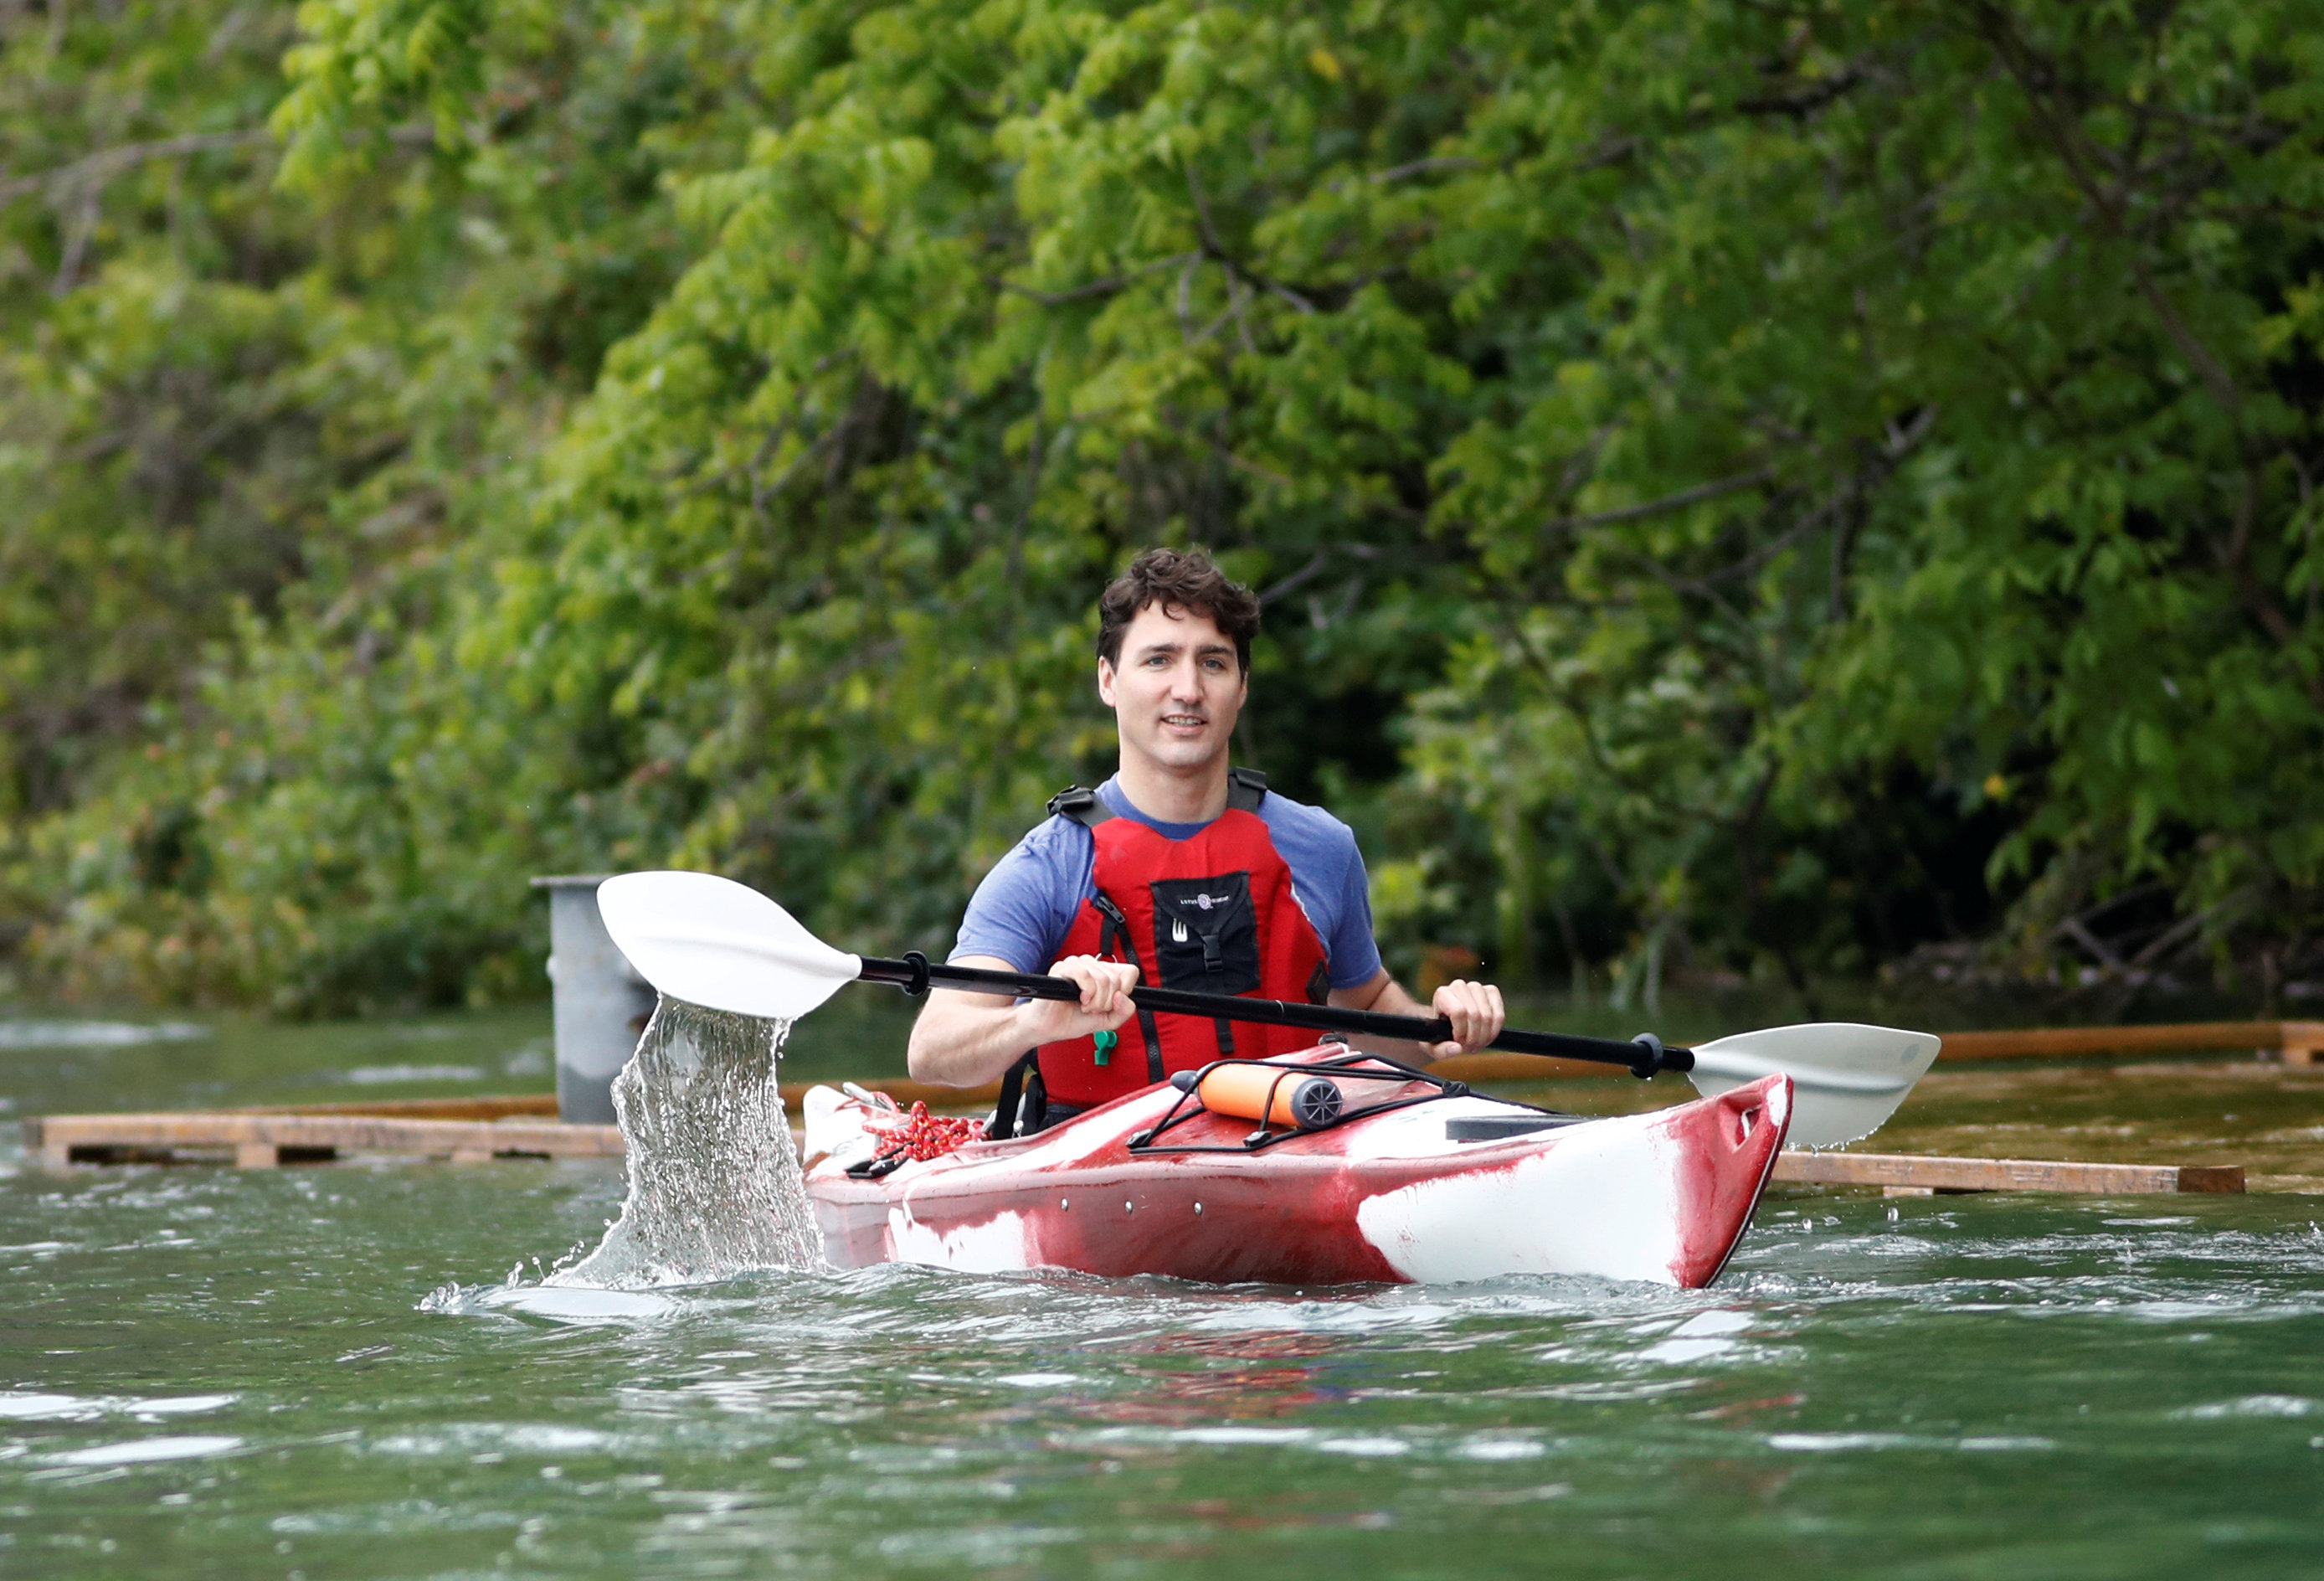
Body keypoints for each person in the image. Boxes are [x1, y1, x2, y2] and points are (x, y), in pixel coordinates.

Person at [907, 548, 1506, 1130]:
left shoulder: (1322, 847)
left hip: (1288, 1160)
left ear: (1241, 686)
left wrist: (1437, 1029)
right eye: (1159, 660)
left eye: (1213, 662)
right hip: (1109, 1194)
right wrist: (1034, 1022)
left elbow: (1367, 1014)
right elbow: (933, 1051)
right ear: (1109, 680)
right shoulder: (1046, 866)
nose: (1189, 689)